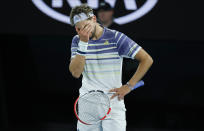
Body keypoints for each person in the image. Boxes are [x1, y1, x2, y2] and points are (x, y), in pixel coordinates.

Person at [69, 4, 153, 131]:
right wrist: (83, 44)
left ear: (94, 20)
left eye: (86, 26)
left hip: (113, 104)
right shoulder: (77, 40)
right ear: (77, 29)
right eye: (80, 29)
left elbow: (147, 59)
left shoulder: (116, 37)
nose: (84, 31)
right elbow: (75, 73)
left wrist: (129, 85)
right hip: (88, 105)